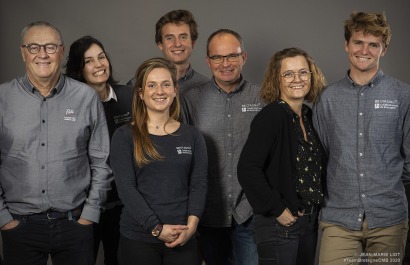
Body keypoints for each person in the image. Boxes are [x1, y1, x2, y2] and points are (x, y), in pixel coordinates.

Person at [0, 21, 112, 265]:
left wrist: (90, 215)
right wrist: (3, 218)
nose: (42, 54)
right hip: (19, 226)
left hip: (75, 223)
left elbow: (101, 161)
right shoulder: (2, 99)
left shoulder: (86, 97)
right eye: (34, 47)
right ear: (22, 52)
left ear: (61, 52)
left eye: (50, 47)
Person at [313, 12, 410, 264]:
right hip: (339, 219)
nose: (364, 50)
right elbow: (321, 157)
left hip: (388, 219)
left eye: (373, 44)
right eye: (358, 42)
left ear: (383, 49)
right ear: (347, 45)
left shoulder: (403, 95)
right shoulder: (327, 98)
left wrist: (385, 182)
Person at [110, 57, 208, 265]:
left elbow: (199, 184)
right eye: (151, 85)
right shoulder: (124, 136)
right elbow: (126, 189)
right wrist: (156, 228)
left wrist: (191, 227)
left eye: (166, 84)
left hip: (182, 237)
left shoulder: (192, 135)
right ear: (140, 93)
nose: (160, 91)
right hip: (138, 240)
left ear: (174, 90)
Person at [181, 29, 263, 265]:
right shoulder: (191, 100)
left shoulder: (262, 98)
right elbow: (185, 158)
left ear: (243, 57)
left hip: (250, 212)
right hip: (208, 213)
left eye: (232, 56)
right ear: (208, 61)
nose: (225, 63)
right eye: (217, 57)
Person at [237, 47, 326, 265]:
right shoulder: (271, 116)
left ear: (311, 76)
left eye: (303, 72)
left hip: (308, 222)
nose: (297, 79)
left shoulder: (308, 115)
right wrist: (277, 209)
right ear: (277, 79)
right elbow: (247, 169)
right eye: (288, 74)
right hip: (280, 223)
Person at [65, 35, 133, 265]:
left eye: (101, 57)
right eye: (89, 61)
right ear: (78, 69)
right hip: (84, 207)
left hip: (125, 204)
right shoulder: (70, 108)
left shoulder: (129, 96)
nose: (99, 65)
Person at [127, 9, 208, 96]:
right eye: (169, 38)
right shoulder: (137, 84)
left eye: (183, 37)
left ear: (192, 43)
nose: (177, 44)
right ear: (160, 44)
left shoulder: (206, 86)